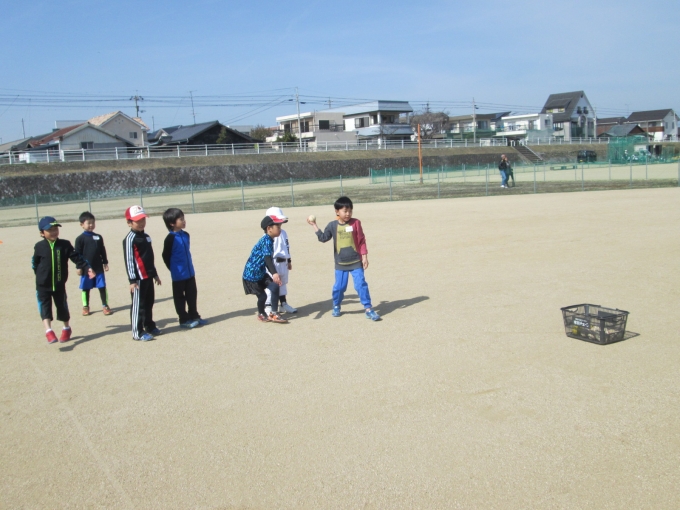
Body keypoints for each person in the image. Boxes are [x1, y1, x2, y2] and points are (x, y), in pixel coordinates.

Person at [307, 196, 381, 321]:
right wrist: (314, 225)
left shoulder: (356, 223)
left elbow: (361, 240)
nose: (348, 214)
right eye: (345, 211)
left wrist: (364, 256)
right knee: (339, 287)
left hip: (356, 261)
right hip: (340, 263)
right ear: (337, 211)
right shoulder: (332, 225)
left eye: (350, 211)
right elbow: (323, 238)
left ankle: (368, 308)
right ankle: (336, 305)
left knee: (361, 285)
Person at [32, 216, 95, 343]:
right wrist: (41, 275)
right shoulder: (39, 246)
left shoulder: (64, 245)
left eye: (56, 229)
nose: (54, 232)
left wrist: (87, 267)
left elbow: (77, 258)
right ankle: (48, 331)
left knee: (62, 307)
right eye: (50, 230)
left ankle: (66, 328)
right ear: (42, 233)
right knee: (45, 308)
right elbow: (35, 263)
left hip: (59, 284)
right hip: (42, 285)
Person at [161, 207, 207, 329]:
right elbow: (165, 255)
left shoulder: (186, 235)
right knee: (180, 298)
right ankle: (183, 319)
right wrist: (173, 269)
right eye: (181, 219)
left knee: (192, 295)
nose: (184, 221)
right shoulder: (170, 239)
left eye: (183, 218)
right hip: (178, 275)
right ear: (172, 223)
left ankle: (194, 315)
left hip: (190, 273)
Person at [123, 205, 162, 342]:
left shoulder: (146, 237)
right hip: (138, 279)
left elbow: (150, 257)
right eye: (137, 221)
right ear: (129, 222)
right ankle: (137, 332)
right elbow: (129, 260)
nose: (141, 223)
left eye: (143, 220)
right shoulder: (130, 239)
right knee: (138, 305)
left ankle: (149, 325)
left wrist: (155, 274)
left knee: (149, 303)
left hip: (148, 276)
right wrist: (132, 280)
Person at [242, 215, 288, 323]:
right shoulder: (266, 241)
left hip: (261, 273)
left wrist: (273, 273)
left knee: (275, 286)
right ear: (269, 228)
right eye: (278, 227)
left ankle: (274, 313)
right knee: (263, 296)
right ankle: (261, 313)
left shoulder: (270, 240)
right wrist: (274, 273)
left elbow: (267, 259)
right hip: (252, 275)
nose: (280, 229)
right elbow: (267, 258)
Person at [75, 211, 112, 316]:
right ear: (82, 225)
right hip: (86, 268)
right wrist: (79, 267)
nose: (91, 225)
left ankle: (105, 305)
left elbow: (102, 250)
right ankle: (85, 306)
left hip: (98, 267)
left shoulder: (98, 237)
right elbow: (77, 254)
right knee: (85, 288)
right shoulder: (80, 239)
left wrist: (105, 262)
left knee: (102, 286)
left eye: (93, 222)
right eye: (88, 223)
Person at [263, 206, 297, 315]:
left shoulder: (284, 233)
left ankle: (283, 304)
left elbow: (287, 246)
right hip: (273, 263)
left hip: (283, 262)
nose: (280, 225)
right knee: (272, 285)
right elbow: (266, 254)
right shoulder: (267, 236)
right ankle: (268, 306)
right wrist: (272, 270)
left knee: (282, 284)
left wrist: (289, 260)